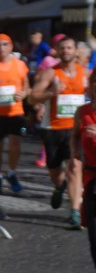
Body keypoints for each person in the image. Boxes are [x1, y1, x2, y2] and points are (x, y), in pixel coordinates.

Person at [29, 37, 85, 229]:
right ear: (57, 51)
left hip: (75, 128)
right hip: (52, 129)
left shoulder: (85, 73)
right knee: (55, 170)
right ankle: (59, 186)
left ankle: (76, 211)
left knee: (75, 168)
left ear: (76, 50)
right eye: (62, 48)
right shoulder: (51, 73)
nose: (66, 51)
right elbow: (32, 97)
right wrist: (52, 92)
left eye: (70, 47)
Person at [0, 33, 30, 194]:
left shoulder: (20, 65)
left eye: (4, 44)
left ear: (10, 47)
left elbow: (27, 87)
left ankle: (12, 173)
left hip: (15, 112)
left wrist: (24, 94)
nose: (1, 48)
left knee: (16, 144)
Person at [71, 70, 96, 267]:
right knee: (94, 238)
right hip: (91, 177)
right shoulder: (82, 111)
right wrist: (74, 155)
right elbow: (75, 136)